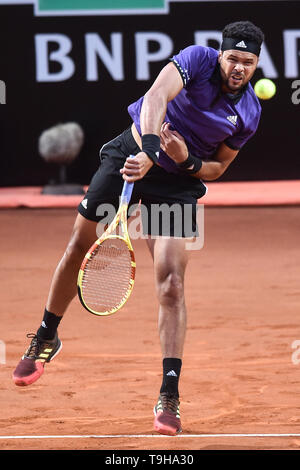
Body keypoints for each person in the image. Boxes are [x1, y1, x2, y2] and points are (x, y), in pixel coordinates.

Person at [13, 20, 264, 436]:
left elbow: (217, 166)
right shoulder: (197, 60)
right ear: (221, 55)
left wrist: (184, 161)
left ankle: (169, 393)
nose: (238, 67)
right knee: (79, 243)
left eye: (248, 62)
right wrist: (150, 149)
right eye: (233, 58)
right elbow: (156, 96)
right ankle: (45, 336)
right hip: (132, 152)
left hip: (178, 183)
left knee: (171, 285)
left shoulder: (249, 111)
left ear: (257, 64)